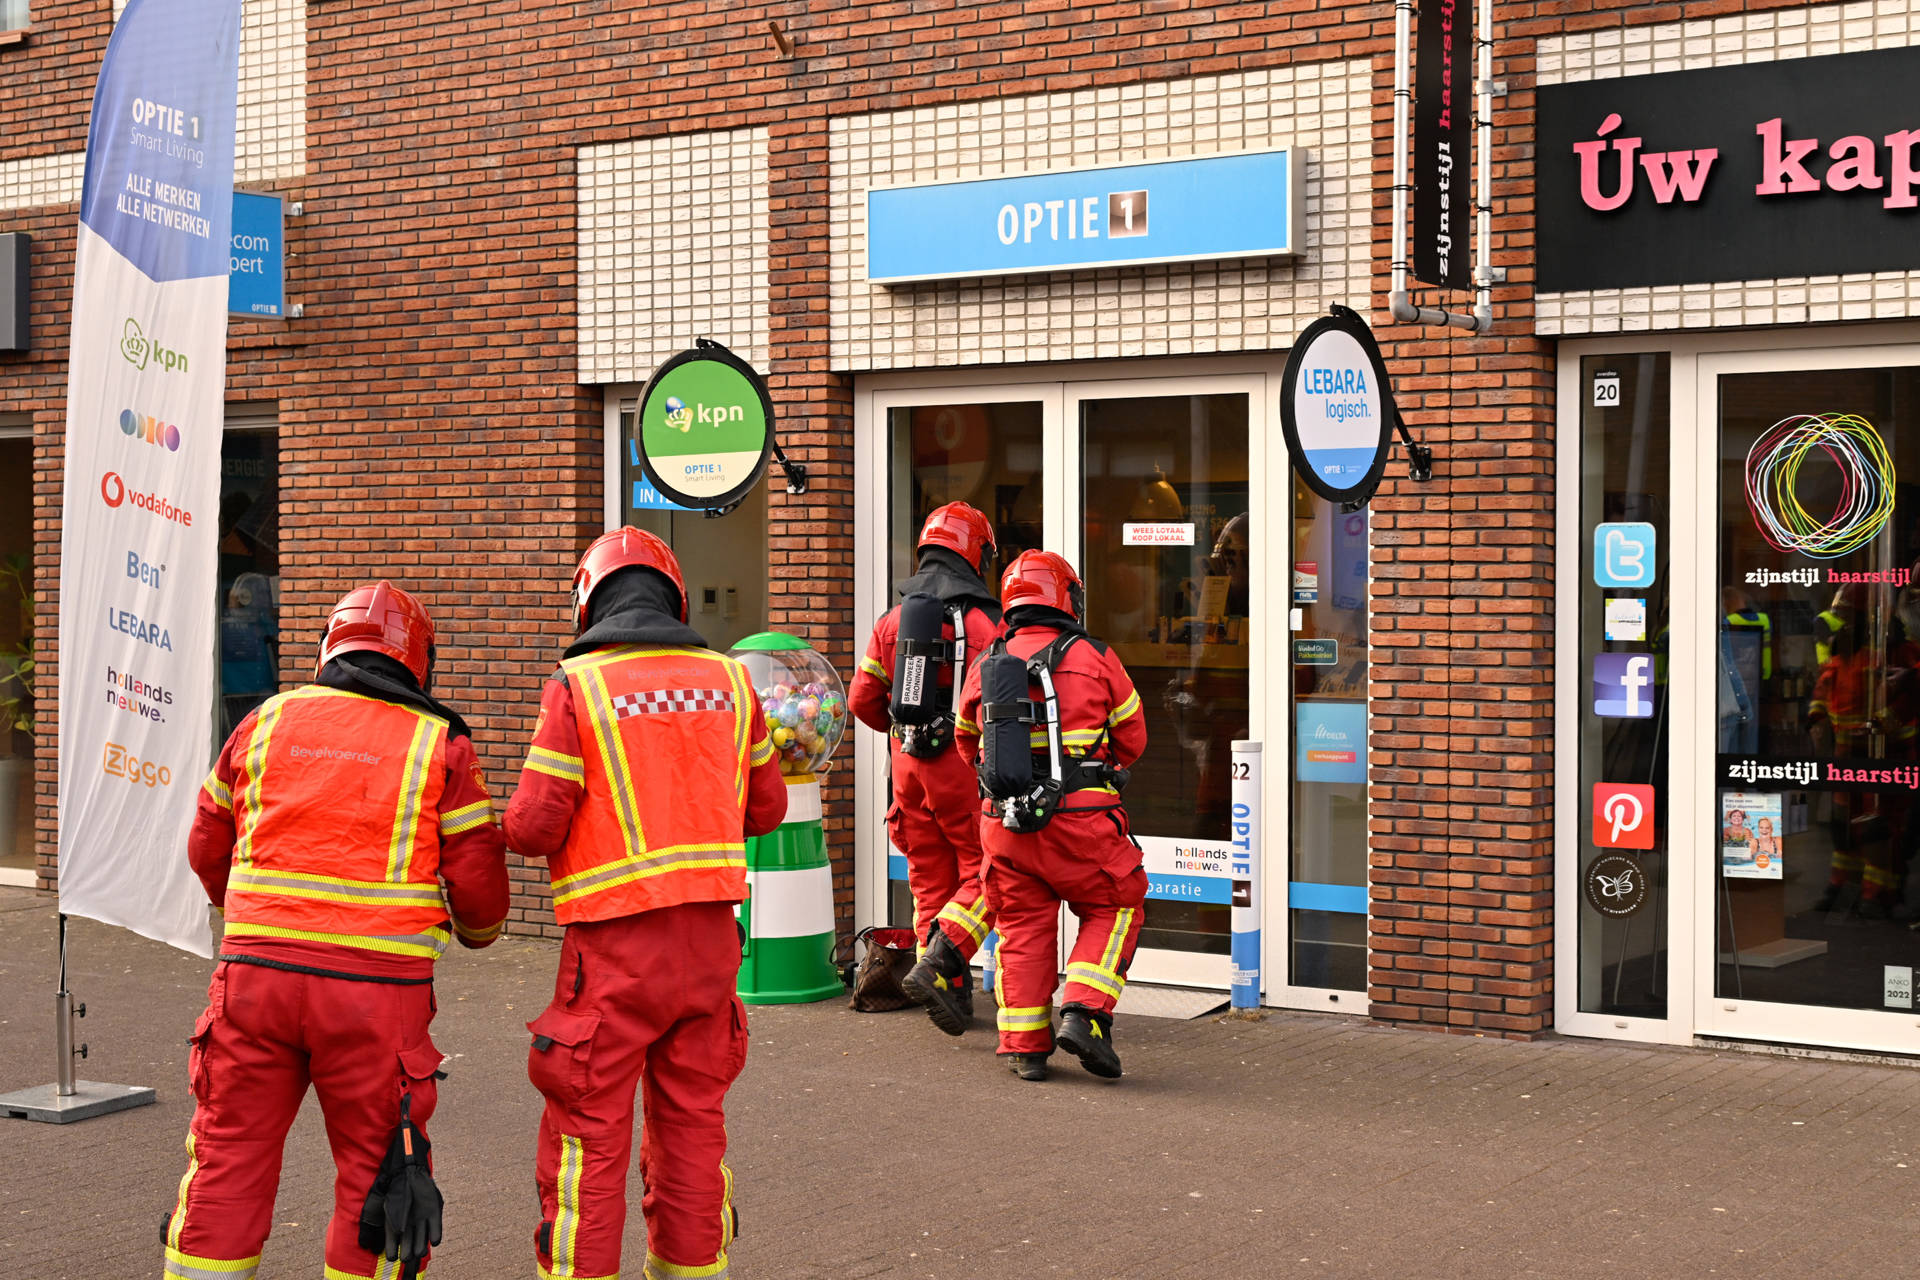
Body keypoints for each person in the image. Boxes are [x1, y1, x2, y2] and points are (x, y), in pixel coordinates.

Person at [165, 581, 509, 1280]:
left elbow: (207, 845)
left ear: (329, 648)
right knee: (379, 1179)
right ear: (421, 663)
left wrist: (250, 917)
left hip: (253, 985)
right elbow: (478, 890)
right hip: (376, 1001)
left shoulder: (264, 721)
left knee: (227, 1158)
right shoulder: (438, 742)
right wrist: (479, 932)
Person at [505, 528, 787, 1280]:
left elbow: (533, 826)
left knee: (587, 1139)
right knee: (693, 1128)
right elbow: (765, 809)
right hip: (711, 951)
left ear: (587, 602)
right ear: (675, 597)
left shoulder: (576, 686)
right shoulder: (732, 682)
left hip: (612, 955)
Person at [956, 551, 1148, 1082]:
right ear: (1067, 597)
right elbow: (1133, 737)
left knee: (1020, 927)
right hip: (1083, 822)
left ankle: (1023, 1047)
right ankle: (1084, 1014)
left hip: (1006, 825)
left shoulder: (986, 662)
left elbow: (965, 743)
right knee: (1117, 905)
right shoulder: (1096, 656)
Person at [848, 502, 1004, 1034]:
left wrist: (901, 738)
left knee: (928, 877)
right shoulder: (988, 624)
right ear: (977, 554)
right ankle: (942, 965)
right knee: (986, 872)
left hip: (907, 768)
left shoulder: (892, 622)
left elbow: (863, 699)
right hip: (959, 768)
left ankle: (945, 990)